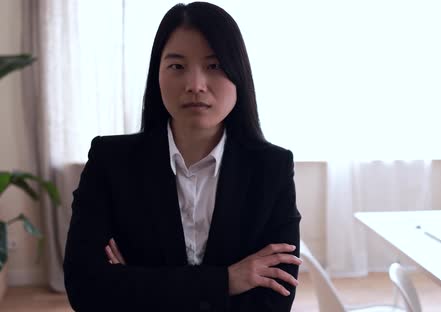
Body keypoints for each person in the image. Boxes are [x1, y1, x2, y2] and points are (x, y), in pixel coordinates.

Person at [63, 2, 301, 311]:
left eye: (214, 66)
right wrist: (227, 280)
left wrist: (137, 283)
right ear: (157, 74)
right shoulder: (111, 162)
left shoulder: (272, 169)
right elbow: (86, 290)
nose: (195, 85)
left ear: (238, 73)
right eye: (177, 66)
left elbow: (272, 301)